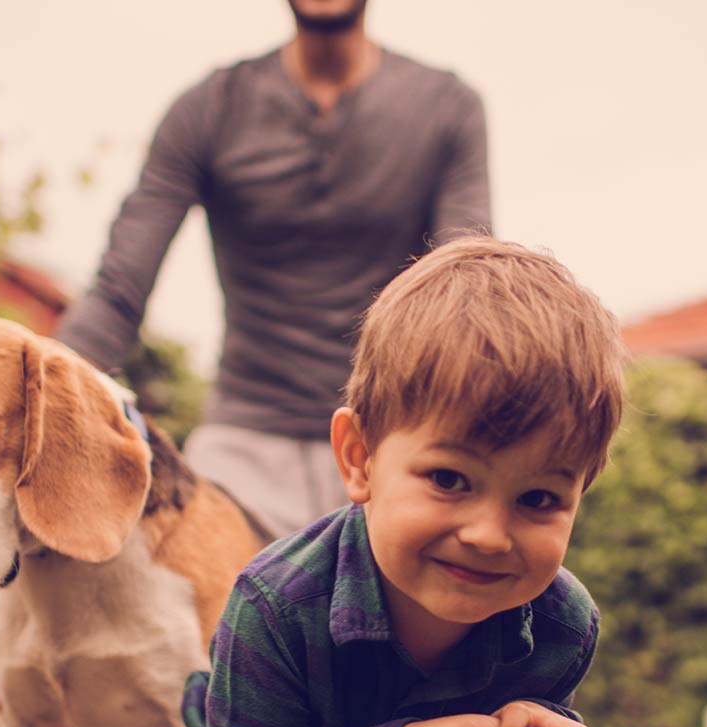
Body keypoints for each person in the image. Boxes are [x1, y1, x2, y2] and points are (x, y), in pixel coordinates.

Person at [182, 236, 624, 727]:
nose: (489, 535)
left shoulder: (563, 625)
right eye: (449, 479)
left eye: (538, 499)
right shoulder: (274, 611)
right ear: (359, 458)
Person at [56, 0, 491, 541]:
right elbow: (119, 290)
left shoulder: (446, 108)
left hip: (390, 441)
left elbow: (465, 288)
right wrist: (43, 396)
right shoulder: (208, 110)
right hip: (242, 451)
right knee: (214, 609)